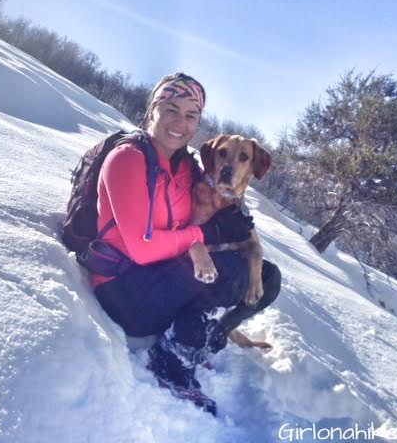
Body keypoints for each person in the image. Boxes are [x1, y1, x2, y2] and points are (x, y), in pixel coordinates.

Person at [91, 72, 282, 415]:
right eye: (171, 109)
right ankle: (170, 360)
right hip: (124, 289)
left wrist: (231, 220)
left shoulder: (185, 168)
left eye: (191, 115)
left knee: (267, 277)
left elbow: (206, 213)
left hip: (160, 277)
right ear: (152, 110)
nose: (180, 122)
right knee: (233, 268)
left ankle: (205, 335)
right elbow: (141, 248)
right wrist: (206, 237)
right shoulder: (128, 160)